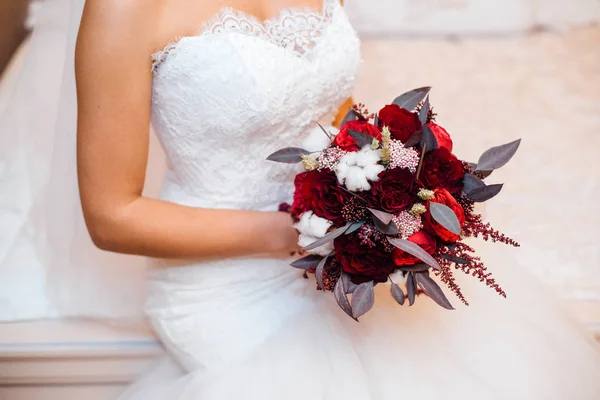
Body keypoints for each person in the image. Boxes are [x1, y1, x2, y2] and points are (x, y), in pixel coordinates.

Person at [75, 0, 600, 398]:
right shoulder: (124, 8)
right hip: (222, 277)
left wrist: (383, 194)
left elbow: (330, 113)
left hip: (341, 250)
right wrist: (308, 233)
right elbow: (110, 216)